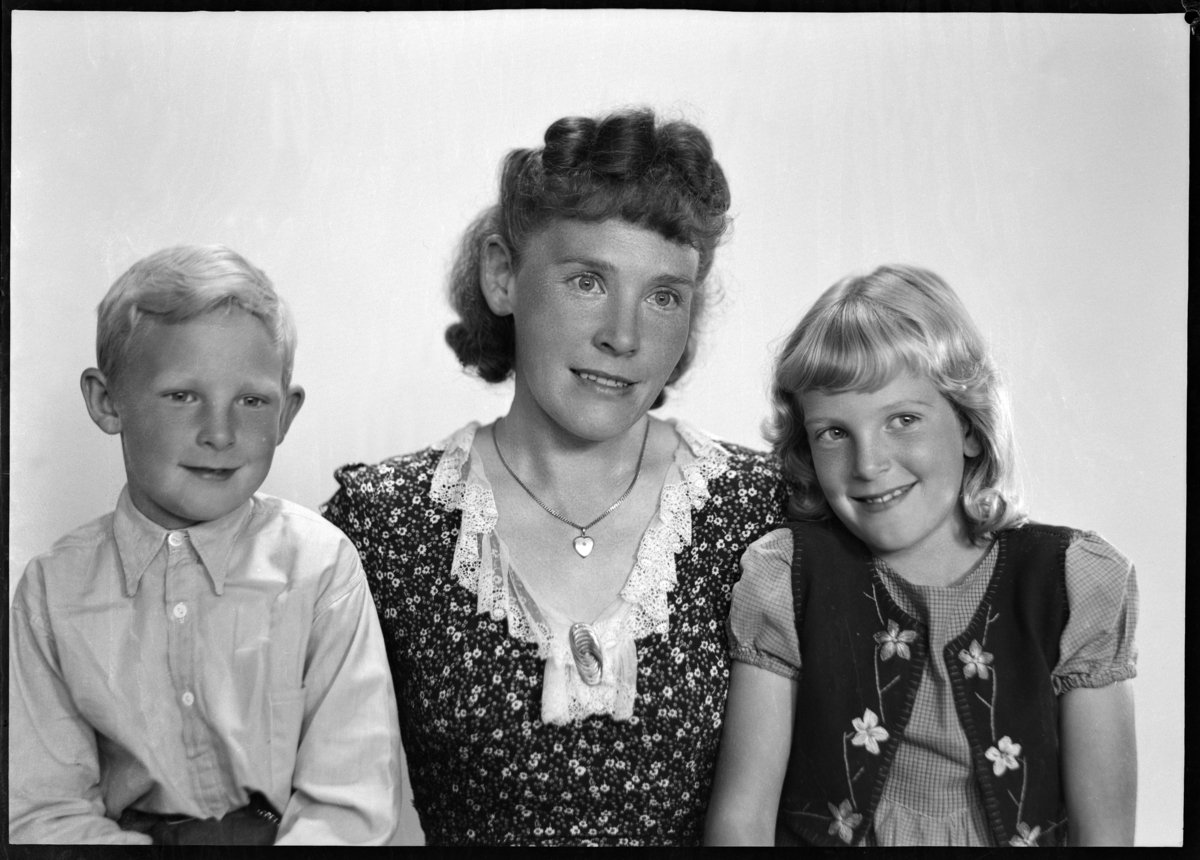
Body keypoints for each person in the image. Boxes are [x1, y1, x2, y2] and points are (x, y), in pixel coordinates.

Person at [321, 108, 791, 845]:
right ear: (503, 275)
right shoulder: (386, 524)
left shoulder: (759, 511)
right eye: (587, 281)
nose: (624, 336)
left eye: (664, 295)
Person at [703, 265, 1138, 847]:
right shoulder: (788, 576)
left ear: (970, 426)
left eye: (903, 420)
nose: (868, 464)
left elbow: (1105, 836)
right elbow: (742, 821)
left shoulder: (1069, 582)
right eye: (834, 432)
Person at [9, 245, 402, 845]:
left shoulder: (321, 568)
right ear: (106, 401)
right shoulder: (52, 590)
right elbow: (44, 811)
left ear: (286, 415)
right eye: (182, 396)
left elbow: (349, 801)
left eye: (252, 401)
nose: (220, 434)